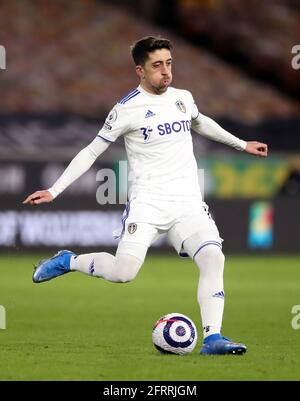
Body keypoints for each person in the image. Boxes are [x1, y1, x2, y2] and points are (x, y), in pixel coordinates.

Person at [23, 36, 268, 355]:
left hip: (187, 204)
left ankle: (213, 339)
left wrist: (241, 144)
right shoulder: (126, 109)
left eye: (169, 63)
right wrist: (54, 190)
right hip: (147, 205)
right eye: (157, 66)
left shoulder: (182, 97)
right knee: (124, 273)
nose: (165, 72)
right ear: (140, 70)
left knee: (212, 257)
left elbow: (199, 122)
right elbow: (91, 151)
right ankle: (69, 260)